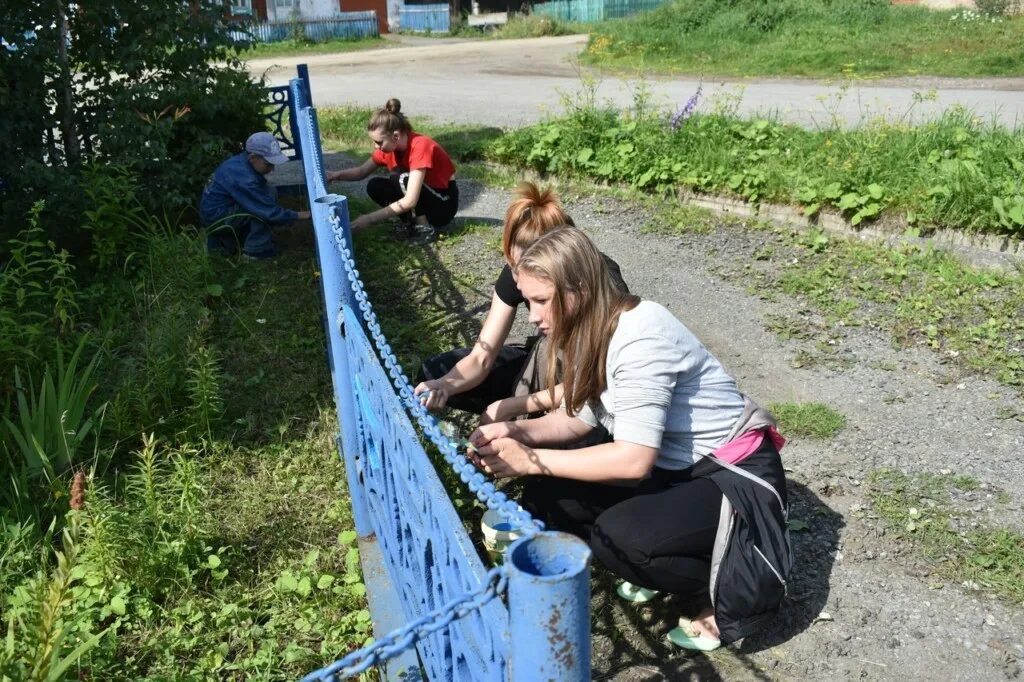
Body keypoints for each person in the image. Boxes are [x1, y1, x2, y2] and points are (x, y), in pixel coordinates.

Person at [467, 227, 790, 651]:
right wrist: (512, 431)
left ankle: (733, 572)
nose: (531, 315)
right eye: (527, 301)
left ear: (578, 290)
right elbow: (577, 421)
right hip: (675, 468)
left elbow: (633, 459)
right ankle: (674, 550)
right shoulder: (590, 330)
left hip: (730, 475)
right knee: (549, 496)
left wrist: (530, 458)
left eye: (541, 300)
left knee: (620, 538)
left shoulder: (641, 337)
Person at [413, 182, 627, 421]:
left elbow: (594, 382)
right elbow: (482, 356)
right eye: (513, 265)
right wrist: (445, 384)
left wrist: (513, 406)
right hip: (550, 359)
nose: (516, 278)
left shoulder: (603, 283)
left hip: (589, 379)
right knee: (435, 371)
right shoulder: (518, 273)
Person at [326, 98, 458, 243]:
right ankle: (410, 223)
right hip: (426, 198)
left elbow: (410, 200)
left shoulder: (420, 146)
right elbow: (361, 172)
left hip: (443, 205)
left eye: (379, 142)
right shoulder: (389, 149)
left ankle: (424, 229)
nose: (376, 146)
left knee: (399, 177)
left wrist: (369, 219)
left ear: (395, 136)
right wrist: (335, 175)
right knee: (375, 186)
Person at [200, 132, 310, 260]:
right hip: (217, 218)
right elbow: (269, 212)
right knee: (264, 200)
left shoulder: (240, 162)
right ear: (253, 158)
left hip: (214, 213)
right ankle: (256, 250)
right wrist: (303, 215)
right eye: (268, 164)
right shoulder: (246, 180)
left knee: (267, 192)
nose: (272, 169)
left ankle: (228, 244)